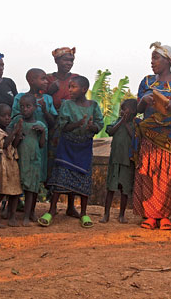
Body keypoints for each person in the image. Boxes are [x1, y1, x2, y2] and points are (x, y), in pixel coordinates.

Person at [134, 42, 171, 231]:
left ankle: (165, 215)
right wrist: (144, 100)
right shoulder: (147, 81)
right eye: (152, 58)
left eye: (156, 58)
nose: (152, 62)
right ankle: (150, 215)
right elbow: (138, 108)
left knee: (169, 174)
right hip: (150, 134)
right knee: (149, 172)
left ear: (168, 60)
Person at [39, 76, 103, 228]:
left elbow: (99, 125)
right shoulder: (67, 104)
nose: (69, 90)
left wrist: (91, 127)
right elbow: (63, 126)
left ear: (84, 89)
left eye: (73, 87)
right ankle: (52, 210)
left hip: (84, 146)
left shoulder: (93, 105)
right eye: (69, 87)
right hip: (67, 145)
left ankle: (83, 212)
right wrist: (78, 124)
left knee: (83, 177)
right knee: (61, 175)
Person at [46, 47, 81, 218]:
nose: (68, 63)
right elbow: (40, 99)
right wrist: (48, 91)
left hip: (72, 127)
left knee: (70, 164)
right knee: (55, 165)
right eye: (65, 60)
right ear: (56, 61)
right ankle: (51, 205)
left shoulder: (76, 79)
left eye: (71, 61)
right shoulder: (49, 79)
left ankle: (71, 206)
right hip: (53, 128)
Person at [12, 68, 57, 183]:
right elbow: (15, 118)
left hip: (40, 142)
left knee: (38, 168)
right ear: (31, 80)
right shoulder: (20, 97)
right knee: (21, 167)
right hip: (24, 140)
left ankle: (34, 196)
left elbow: (52, 123)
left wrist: (45, 110)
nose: (46, 82)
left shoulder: (47, 99)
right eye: (43, 79)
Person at [9, 94, 47, 226]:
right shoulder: (17, 122)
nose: (24, 109)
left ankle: (27, 215)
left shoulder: (40, 125)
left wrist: (42, 132)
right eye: (22, 106)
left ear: (35, 108)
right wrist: (17, 133)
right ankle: (12, 216)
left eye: (28, 106)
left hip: (33, 162)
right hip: (19, 161)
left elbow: (42, 145)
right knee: (15, 190)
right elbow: (13, 144)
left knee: (31, 190)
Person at [100, 99, 137, 224]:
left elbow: (134, 137)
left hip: (127, 161)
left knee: (124, 189)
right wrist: (121, 121)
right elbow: (110, 131)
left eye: (125, 108)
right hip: (115, 160)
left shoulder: (135, 125)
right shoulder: (116, 122)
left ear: (133, 111)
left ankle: (122, 215)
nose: (122, 111)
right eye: (121, 109)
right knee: (110, 188)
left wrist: (126, 123)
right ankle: (106, 214)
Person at [0, 103, 23, 227]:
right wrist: (14, 132)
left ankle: (12, 216)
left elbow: (14, 145)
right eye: (3, 116)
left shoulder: (9, 130)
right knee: (2, 191)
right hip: (3, 164)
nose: (7, 118)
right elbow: (4, 145)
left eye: (8, 115)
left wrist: (18, 135)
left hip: (12, 163)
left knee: (15, 191)